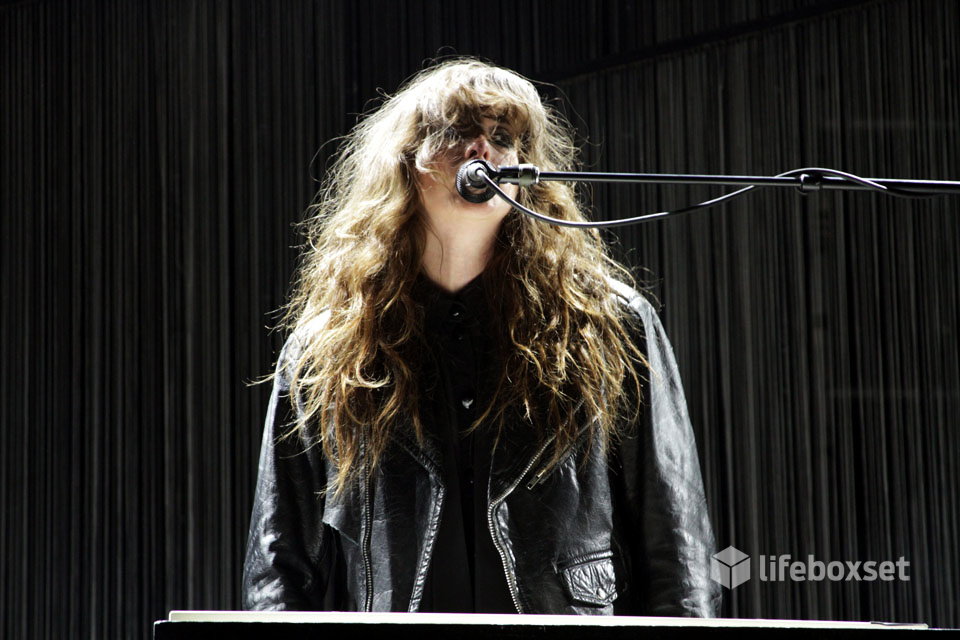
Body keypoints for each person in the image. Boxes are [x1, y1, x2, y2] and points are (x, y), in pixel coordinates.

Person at [242, 58, 720, 616]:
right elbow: (279, 565)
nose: (484, 150)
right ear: (406, 163)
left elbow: (676, 545)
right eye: (456, 132)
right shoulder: (328, 347)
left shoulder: (612, 321)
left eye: (502, 137)